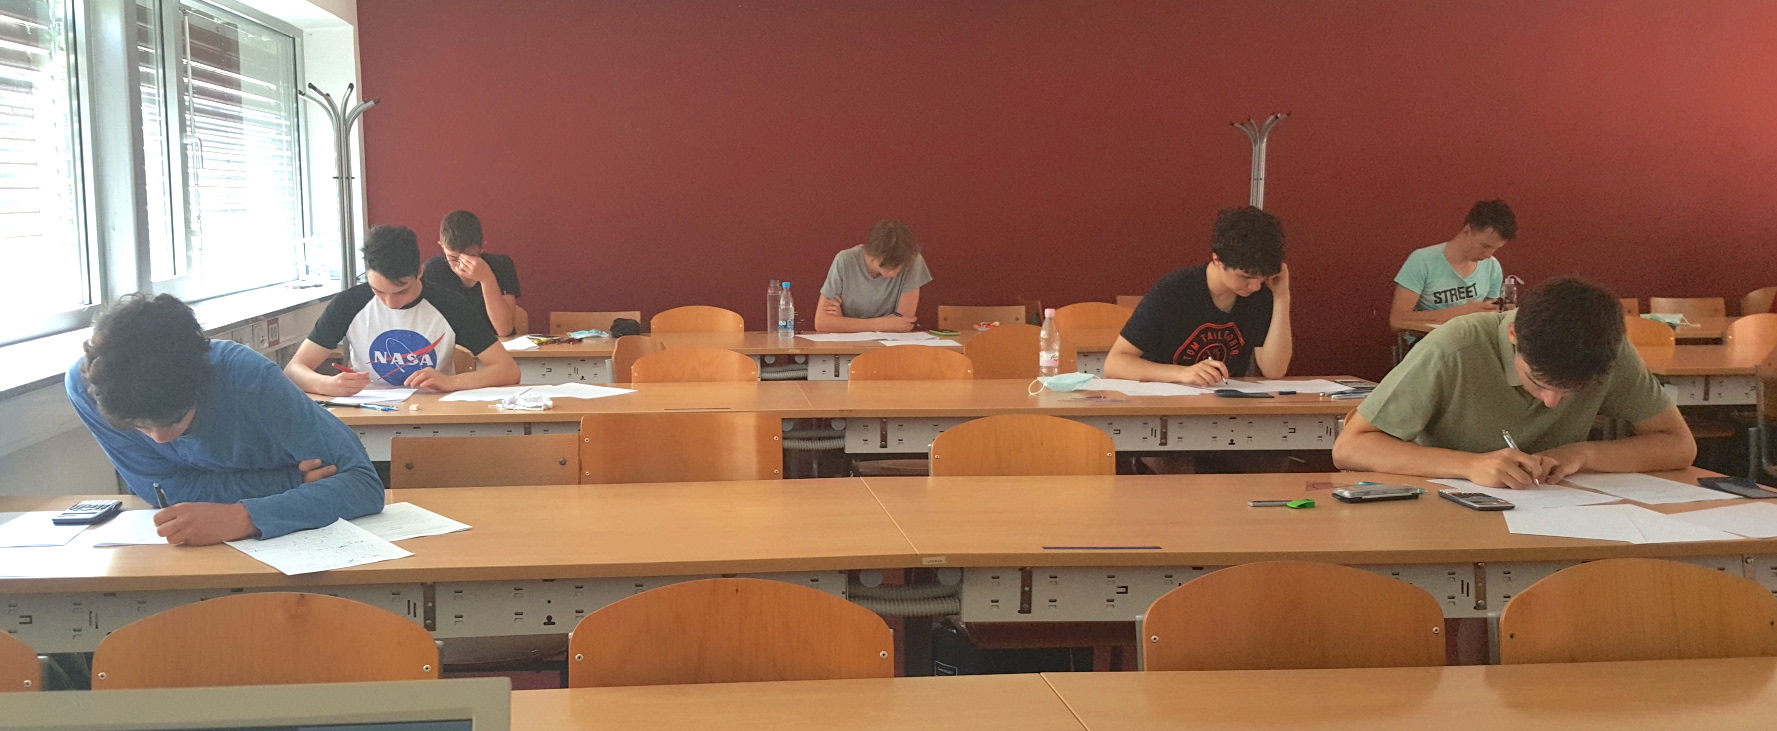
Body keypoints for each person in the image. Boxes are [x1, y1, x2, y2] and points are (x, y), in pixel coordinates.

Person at [66, 294, 384, 545]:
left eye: (176, 420)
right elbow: (164, 491)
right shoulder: (87, 387)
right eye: (139, 427)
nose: (160, 439)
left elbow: (363, 484)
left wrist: (244, 517)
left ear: (203, 380)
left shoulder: (245, 376)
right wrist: (291, 481)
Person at [1334, 277, 1696, 488]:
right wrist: (1469, 466)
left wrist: (1582, 454)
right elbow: (1350, 447)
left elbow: (1678, 444)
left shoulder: (1610, 350)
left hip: (1558, 509)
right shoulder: (1453, 348)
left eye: (1572, 391)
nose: (1552, 402)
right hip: (1447, 507)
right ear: (1513, 335)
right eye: (1538, 380)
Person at [286, 224, 521, 396]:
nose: (390, 302)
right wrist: (326, 384)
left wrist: (450, 382)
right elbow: (293, 370)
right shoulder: (349, 303)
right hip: (368, 412)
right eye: (379, 291)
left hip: (433, 412)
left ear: (420, 272)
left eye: (401, 292)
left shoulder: (449, 304)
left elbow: (508, 371)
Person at [1104, 206, 1292, 385]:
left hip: (1225, 402)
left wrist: (1281, 296)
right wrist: (1182, 373)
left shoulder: (1259, 292)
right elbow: (1115, 363)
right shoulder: (1174, 290)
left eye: (1262, 277)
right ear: (1217, 259)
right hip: (1163, 400)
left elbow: (1274, 370)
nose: (1255, 286)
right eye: (1245, 277)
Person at [1389, 200, 1515, 328]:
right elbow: (1397, 319)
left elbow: (1491, 316)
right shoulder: (1422, 260)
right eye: (1485, 246)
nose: (1488, 254)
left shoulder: (1492, 266)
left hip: (1472, 335)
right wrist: (1458, 313)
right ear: (1467, 231)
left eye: (1495, 248)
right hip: (1428, 337)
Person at [815, 219, 932, 333]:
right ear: (871, 254)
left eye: (899, 267)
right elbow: (822, 323)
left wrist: (842, 322)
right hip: (847, 344)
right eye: (886, 266)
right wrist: (886, 324)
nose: (893, 273)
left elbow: (903, 324)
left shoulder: (913, 259)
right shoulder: (845, 260)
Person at [421, 210, 523, 337]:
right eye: (453, 258)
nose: (461, 265)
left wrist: (487, 279)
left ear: (482, 248)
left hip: (497, 344)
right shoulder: (432, 270)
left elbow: (504, 329)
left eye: (471, 257)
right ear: (442, 246)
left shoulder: (501, 265)